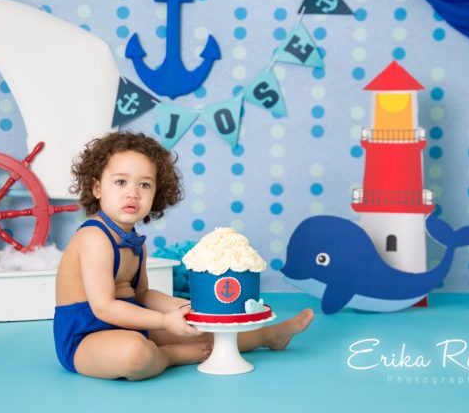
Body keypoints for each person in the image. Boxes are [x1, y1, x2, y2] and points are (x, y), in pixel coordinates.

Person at [54, 131, 314, 380]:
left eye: (144, 184)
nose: (133, 193)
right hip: (85, 336)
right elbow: (104, 307)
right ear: (97, 188)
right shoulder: (94, 238)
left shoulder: (136, 243)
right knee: (134, 353)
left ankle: (269, 336)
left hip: (129, 321)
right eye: (121, 182)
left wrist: (187, 308)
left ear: (156, 193)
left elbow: (142, 294)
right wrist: (163, 321)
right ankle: (170, 356)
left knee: (202, 328)